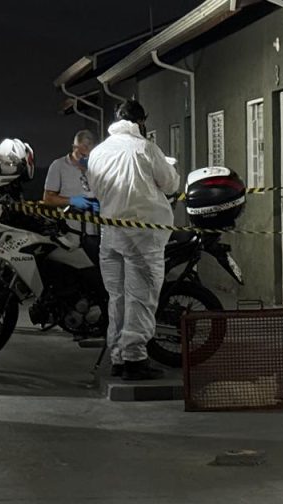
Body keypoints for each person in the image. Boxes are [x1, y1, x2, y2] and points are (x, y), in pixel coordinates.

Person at [87, 100, 180, 381]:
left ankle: (118, 357)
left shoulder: (98, 152)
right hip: (143, 236)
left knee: (117, 298)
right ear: (140, 122)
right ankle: (135, 360)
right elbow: (171, 184)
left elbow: (93, 188)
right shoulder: (145, 148)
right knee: (140, 297)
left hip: (110, 234)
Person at [43, 130, 98, 212]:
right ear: (74, 147)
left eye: (89, 156)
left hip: (93, 222)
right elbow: (48, 199)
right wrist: (72, 201)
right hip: (67, 223)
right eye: (82, 154)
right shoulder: (59, 166)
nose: (86, 159)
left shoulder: (95, 167)